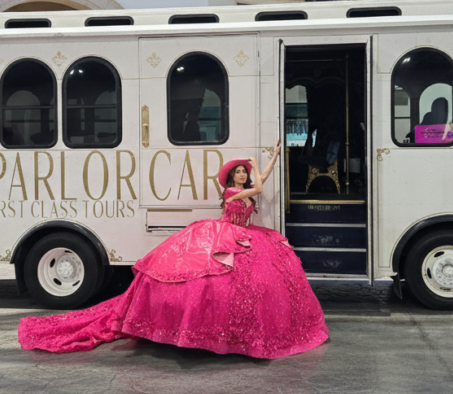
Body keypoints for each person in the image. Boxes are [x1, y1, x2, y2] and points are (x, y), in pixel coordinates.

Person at [17, 142, 329, 359]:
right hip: (227, 234)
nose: (243, 176)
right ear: (232, 180)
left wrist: (272, 157)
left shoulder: (246, 185)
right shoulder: (234, 192)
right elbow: (259, 187)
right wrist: (257, 164)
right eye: (239, 173)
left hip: (243, 236)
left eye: (244, 173)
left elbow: (261, 181)